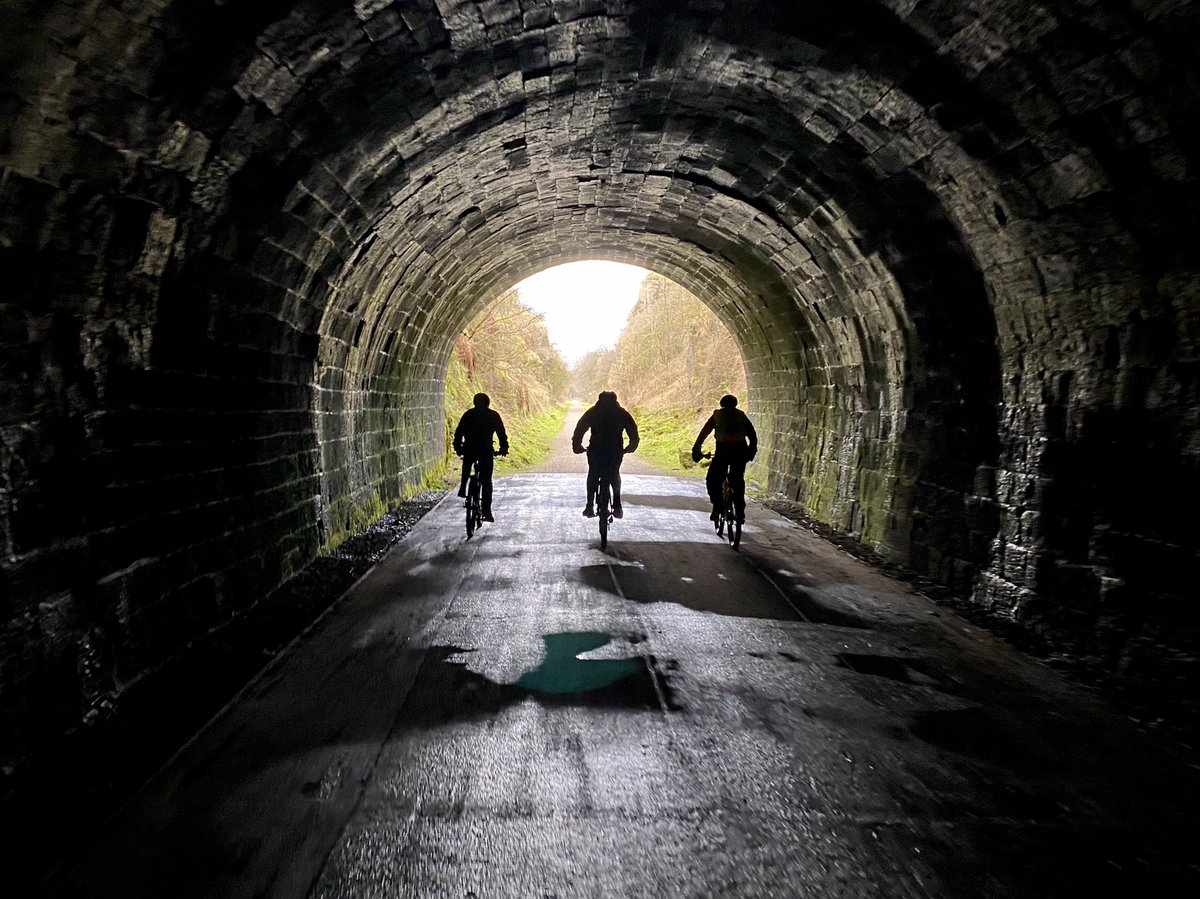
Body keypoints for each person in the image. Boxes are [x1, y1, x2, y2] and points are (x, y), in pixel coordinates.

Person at [572, 390, 639, 519]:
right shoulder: (622, 413)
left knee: (593, 474)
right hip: (615, 450)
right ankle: (618, 505)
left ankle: (590, 505)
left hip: (596, 450)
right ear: (615, 400)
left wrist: (577, 445)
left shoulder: (593, 412)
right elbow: (633, 431)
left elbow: (580, 428)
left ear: (599, 399)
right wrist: (631, 446)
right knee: (614, 474)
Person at [692, 394, 757, 524]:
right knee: (737, 480)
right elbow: (752, 436)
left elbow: (704, 433)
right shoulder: (741, 416)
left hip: (723, 452)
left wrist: (697, 448)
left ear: (721, 404)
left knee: (713, 480)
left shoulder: (718, 415)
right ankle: (740, 512)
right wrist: (750, 452)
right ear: (735, 404)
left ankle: (718, 507)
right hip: (740, 452)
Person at [454, 392, 508, 522]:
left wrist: (458, 447)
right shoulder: (493, 415)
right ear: (488, 403)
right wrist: (503, 449)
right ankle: (487, 511)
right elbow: (501, 434)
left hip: (470, 449)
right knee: (486, 481)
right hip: (485, 450)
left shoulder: (468, 415)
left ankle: (463, 487)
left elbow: (459, 432)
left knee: (467, 464)